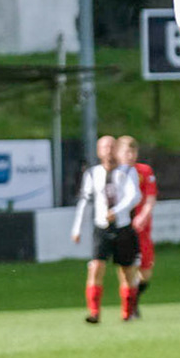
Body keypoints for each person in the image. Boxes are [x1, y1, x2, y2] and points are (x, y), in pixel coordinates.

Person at [70, 133, 141, 323]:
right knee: (95, 267)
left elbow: (134, 196)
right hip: (101, 228)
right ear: (98, 151)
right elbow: (84, 201)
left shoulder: (127, 172)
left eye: (112, 147)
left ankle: (127, 313)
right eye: (104, 147)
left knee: (127, 272)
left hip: (123, 228)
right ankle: (94, 313)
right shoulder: (92, 173)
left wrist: (117, 211)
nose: (108, 151)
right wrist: (77, 228)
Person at [116, 135, 158, 313]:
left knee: (146, 272)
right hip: (124, 229)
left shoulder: (144, 171)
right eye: (126, 151)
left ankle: (134, 299)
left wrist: (143, 215)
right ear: (118, 153)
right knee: (126, 268)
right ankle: (129, 307)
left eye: (133, 151)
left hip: (142, 229)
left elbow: (150, 198)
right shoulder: (113, 172)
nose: (130, 155)